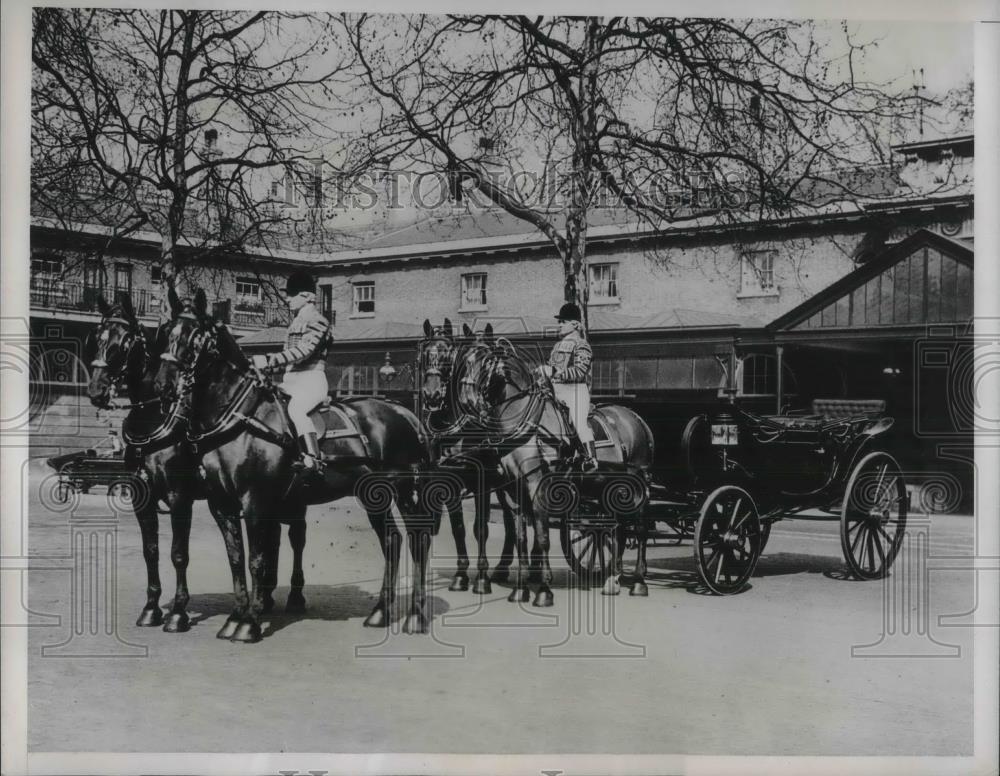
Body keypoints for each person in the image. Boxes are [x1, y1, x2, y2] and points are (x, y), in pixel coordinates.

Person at [251, 271, 331, 475]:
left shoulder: (318, 320)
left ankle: (314, 459)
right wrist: (264, 367)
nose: (287, 299)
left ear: (307, 296)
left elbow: (304, 352)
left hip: (311, 381)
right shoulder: (295, 323)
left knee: (296, 409)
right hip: (291, 381)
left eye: (291, 294)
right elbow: (288, 358)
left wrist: (271, 359)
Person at [536, 302, 597, 471]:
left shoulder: (582, 344)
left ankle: (590, 459)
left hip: (575, 391)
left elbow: (580, 372)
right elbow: (550, 369)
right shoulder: (557, 346)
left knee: (579, 423)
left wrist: (554, 372)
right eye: (559, 321)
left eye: (563, 321)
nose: (560, 325)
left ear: (575, 324)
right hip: (555, 391)